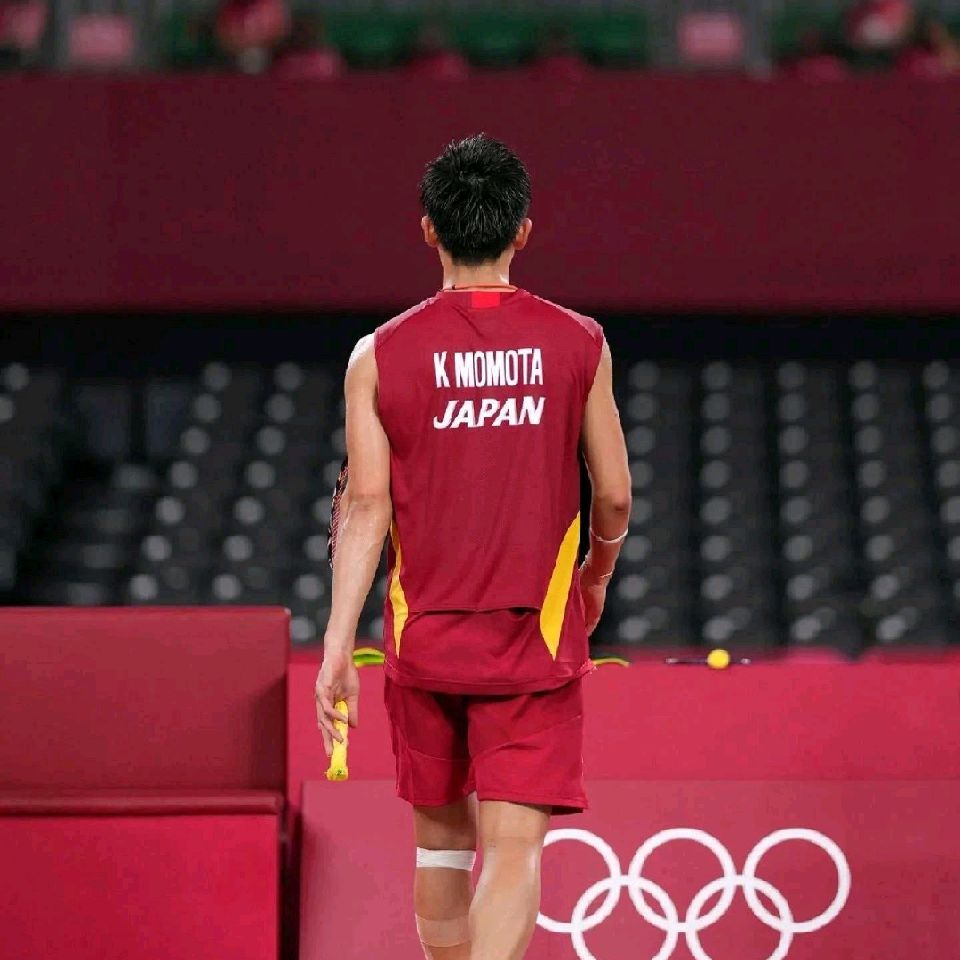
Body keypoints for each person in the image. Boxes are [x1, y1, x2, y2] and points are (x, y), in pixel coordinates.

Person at [314, 134, 630, 960]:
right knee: (514, 850)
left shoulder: (377, 355)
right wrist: (596, 576)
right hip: (534, 640)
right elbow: (615, 494)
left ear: (429, 230)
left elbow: (366, 505)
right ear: (523, 229)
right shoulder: (580, 342)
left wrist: (338, 643)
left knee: (441, 851)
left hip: (425, 642)